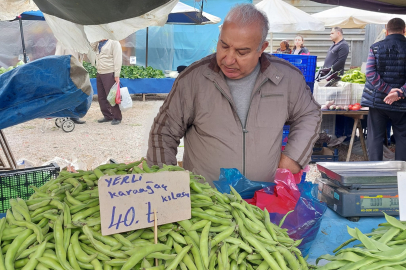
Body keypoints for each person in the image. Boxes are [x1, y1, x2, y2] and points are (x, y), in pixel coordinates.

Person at [146, 4, 321, 185]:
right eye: (224, 45)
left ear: (262, 48)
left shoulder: (286, 78)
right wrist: (165, 188)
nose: (228, 59)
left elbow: (309, 113)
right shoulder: (193, 80)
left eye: (241, 52)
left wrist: (293, 157)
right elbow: (163, 132)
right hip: (208, 205)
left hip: (264, 202)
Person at [361, 18, 406, 161]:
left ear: (386, 31)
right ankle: (401, 174)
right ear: (404, 31)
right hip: (403, 103)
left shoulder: (375, 47)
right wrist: (399, 92)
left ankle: (375, 173)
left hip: (378, 101)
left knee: (375, 137)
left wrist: (387, 90)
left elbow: (370, 73)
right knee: (403, 137)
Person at [90, 39, 123, 125]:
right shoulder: (98, 43)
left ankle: (117, 117)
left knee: (111, 96)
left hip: (109, 72)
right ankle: (107, 115)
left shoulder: (114, 42)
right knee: (101, 96)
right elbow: (91, 47)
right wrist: (96, 40)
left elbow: (118, 59)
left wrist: (117, 75)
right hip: (100, 72)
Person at [54, 41, 86, 124]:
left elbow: (80, 58)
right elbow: (57, 58)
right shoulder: (62, 42)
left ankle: (73, 116)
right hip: (67, 72)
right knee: (68, 94)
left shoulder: (77, 43)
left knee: (75, 93)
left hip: (76, 71)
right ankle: (66, 115)